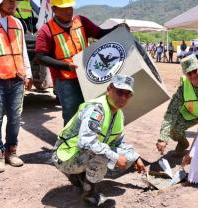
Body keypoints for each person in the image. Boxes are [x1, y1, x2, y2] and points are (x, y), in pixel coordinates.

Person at [52, 74, 146, 206]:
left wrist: (136, 157)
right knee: (103, 157)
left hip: (80, 154)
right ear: (109, 89)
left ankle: (79, 176)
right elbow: (86, 143)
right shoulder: (95, 110)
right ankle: (89, 197)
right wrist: (114, 156)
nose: (123, 97)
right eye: (120, 92)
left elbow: (118, 143)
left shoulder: (119, 114)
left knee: (128, 156)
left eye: (128, 94)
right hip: (65, 156)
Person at [35, 0, 119, 126]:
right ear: (54, 10)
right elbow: (41, 57)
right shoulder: (46, 30)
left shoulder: (81, 21)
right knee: (72, 115)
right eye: (64, 8)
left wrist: (117, 29)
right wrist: (66, 66)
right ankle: (69, 144)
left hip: (86, 76)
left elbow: (100, 33)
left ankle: (87, 141)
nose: (69, 11)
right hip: (65, 80)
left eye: (70, 7)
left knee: (92, 111)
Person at [0, 0, 32, 173]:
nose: (13, 4)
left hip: (17, 78)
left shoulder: (17, 23)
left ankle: (11, 152)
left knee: (15, 118)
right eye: (9, 1)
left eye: (15, 1)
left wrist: (28, 73)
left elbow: (23, 49)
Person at [156, 54, 198, 156]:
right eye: (189, 73)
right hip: (192, 115)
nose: (193, 75)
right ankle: (183, 143)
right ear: (185, 75)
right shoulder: (182, 88)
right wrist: (162, 138)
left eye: (195, 71)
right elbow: (171, 113)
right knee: (173, 129)